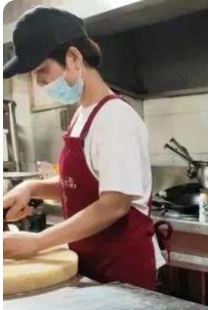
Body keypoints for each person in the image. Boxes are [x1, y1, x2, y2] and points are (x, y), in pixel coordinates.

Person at [3, 6, 163, 290]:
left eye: (42, 71)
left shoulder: (115, 118)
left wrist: (38, 242)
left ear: (74, 58)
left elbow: (114, 204)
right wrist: (31, 188)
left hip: (122, 274)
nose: (40, 82)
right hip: (92, 266)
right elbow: (79, 185)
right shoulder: (82, 114)